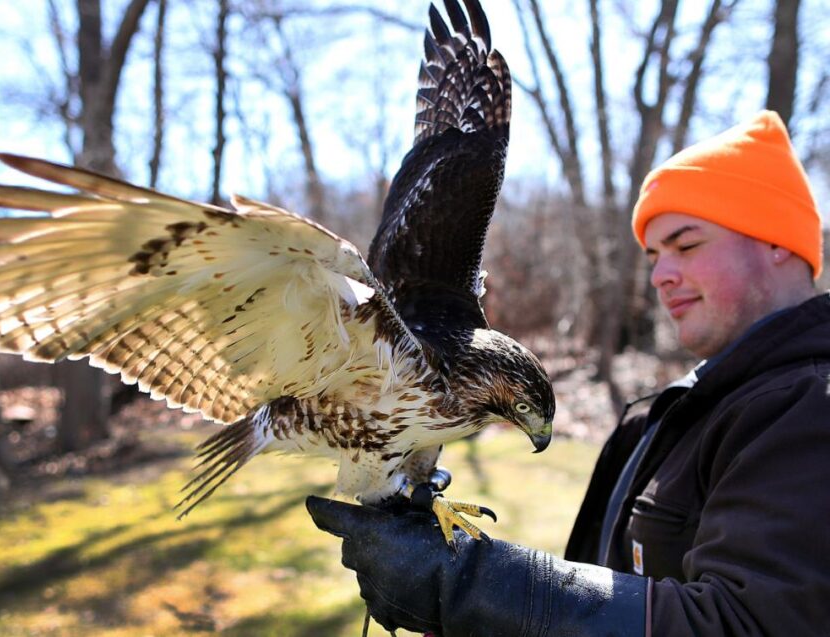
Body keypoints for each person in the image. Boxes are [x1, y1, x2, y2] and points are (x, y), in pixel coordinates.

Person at [307, 109, 830, 636]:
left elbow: (748, 624)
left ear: (777, 242)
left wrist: (465, 584)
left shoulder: (809, 406)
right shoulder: (689, 405)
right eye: (652, 257)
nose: (662, 276)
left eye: (686, 245)